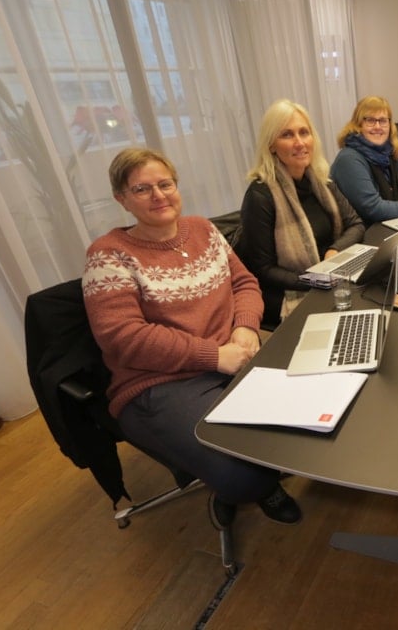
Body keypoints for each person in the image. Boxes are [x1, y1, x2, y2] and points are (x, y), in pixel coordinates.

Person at [82, 147, 302, 529]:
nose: (158, 195)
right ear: (122, 199)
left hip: (234, 356)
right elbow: (123, 337)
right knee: (245, 477)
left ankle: (253, 472)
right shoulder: (108, 255)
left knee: (310, 420)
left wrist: (245, 327)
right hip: (160, 383)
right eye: (142, 189)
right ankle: (254, 486)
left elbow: (244, 283)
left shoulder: (203, 229)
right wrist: (214, 356)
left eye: (165, 184)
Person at [238, 99, 365, 328]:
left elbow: (356, 224)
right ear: (271, 145)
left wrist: (335, 251)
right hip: (290, 292)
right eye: (287, 135)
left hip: (330, 278)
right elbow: (262, 270)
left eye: (304, 132)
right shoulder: (260, 196)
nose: (299, 142)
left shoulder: (321, 181)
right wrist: (317, 279)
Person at [330, 95, 398, 224]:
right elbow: (373, 208)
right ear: (358, 125)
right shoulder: (349, 159)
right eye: (370, 120)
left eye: (383, 121)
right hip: (365, 230)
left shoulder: (391, 150)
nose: (378, 126)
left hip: (388, 222)